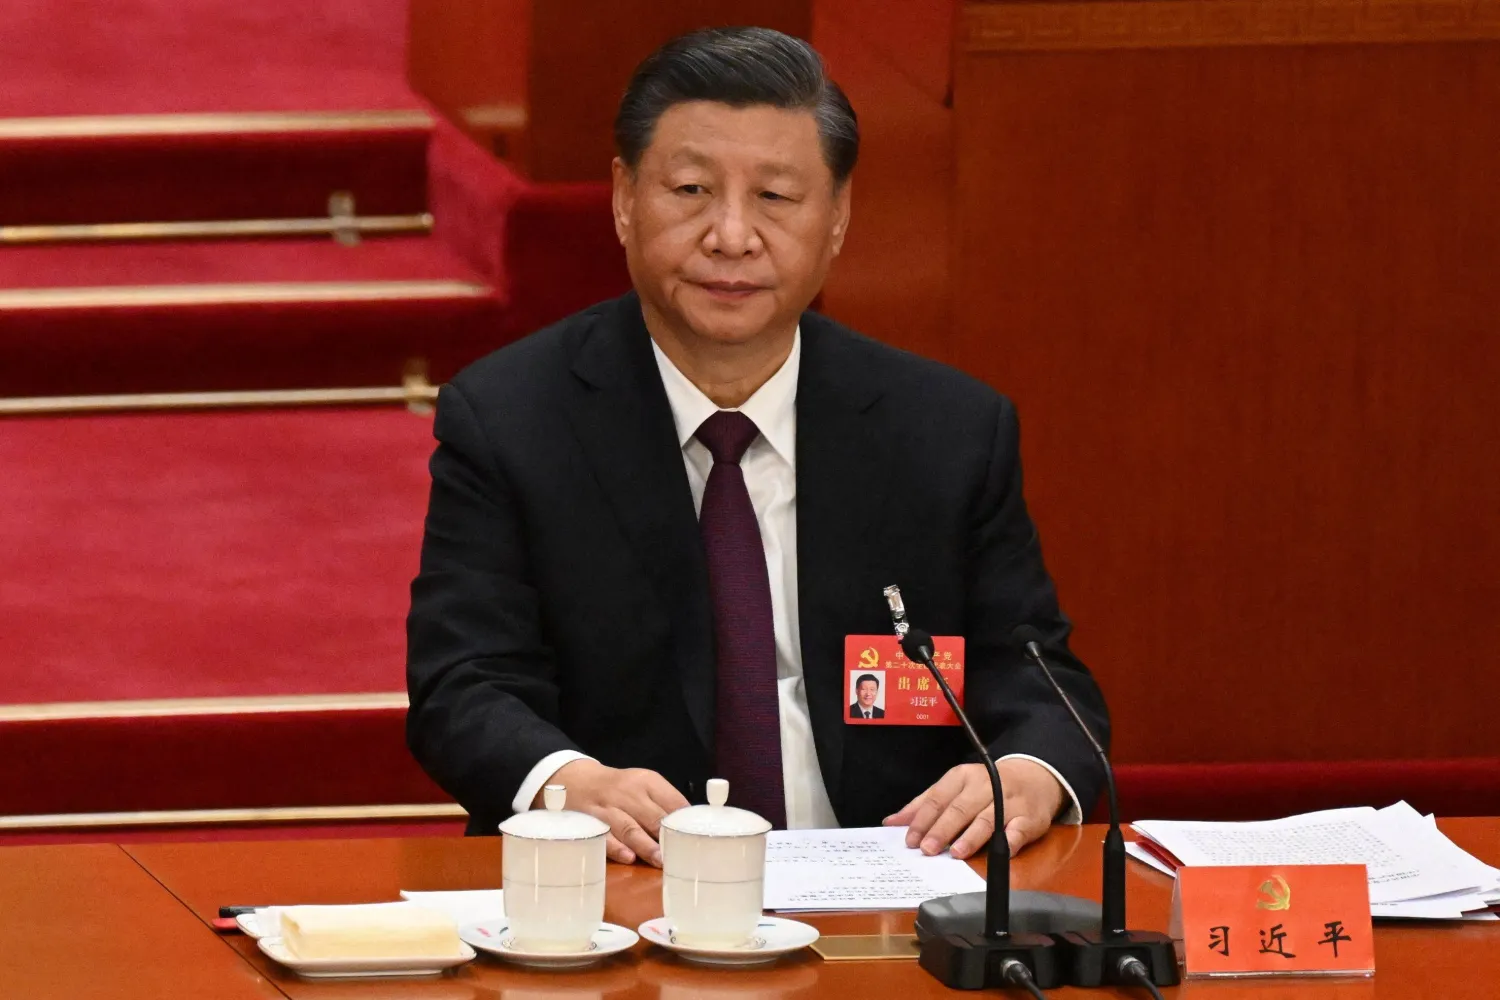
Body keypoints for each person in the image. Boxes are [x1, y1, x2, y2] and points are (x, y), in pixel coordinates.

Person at [406, 26, 1109, 868]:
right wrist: (570, 782)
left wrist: (1027, 773)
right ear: (626, 198)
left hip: (883, 897)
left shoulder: (946, 430)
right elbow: (462, 683)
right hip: (625, 886)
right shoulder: (512, 419)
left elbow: (1040, 679)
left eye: (775, 197)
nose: (731, 236)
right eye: (693, 189)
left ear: (839, 216)